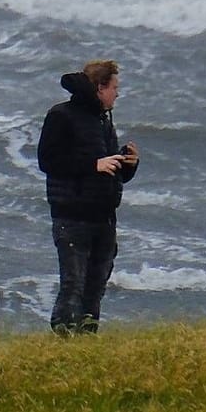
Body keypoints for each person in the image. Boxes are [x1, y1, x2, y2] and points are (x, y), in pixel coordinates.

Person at [36, 59, 138, 334]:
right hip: (72, 217)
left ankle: (85, 346)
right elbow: (48, 161)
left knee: (95, 289)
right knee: (73, 286)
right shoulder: (61, 115)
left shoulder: (102, 120)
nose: (117, 93)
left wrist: (128, 165)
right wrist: (93, 165)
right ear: (100, 87)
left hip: (104, 218)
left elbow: (110, 171)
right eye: (114, 87)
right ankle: (63, 344)